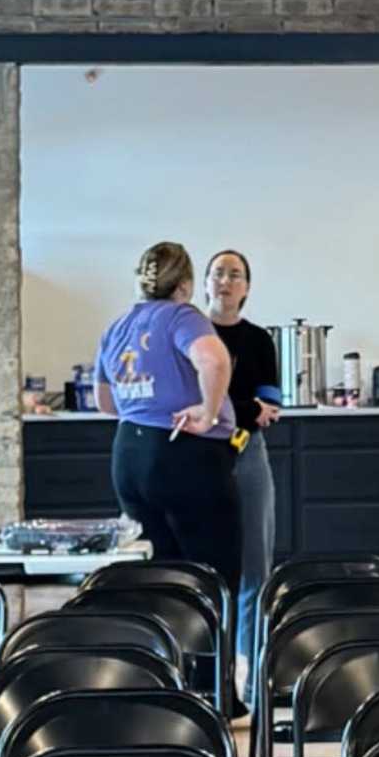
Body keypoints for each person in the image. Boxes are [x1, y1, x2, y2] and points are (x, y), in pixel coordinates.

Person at [91, 239, 241, 585]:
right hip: (184, 453)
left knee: (155, 574)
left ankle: (163, 638)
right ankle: (209, 641)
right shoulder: (181, 315)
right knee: (212, 577)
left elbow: (105, 403)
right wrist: (208, 411)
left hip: (129, 456)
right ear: (185, 285)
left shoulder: (118, 326)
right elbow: (214, 360)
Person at [204, 247, 282, 442]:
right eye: (218, 274)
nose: (225, 281)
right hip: (199, 442)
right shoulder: (190, 334)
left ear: (246, 288)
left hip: (246, 442)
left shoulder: (260, 339)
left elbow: (270, 404)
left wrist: (219, 410)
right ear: (206, 284)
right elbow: (190, 399)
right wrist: (249, 409)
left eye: (235, 275)